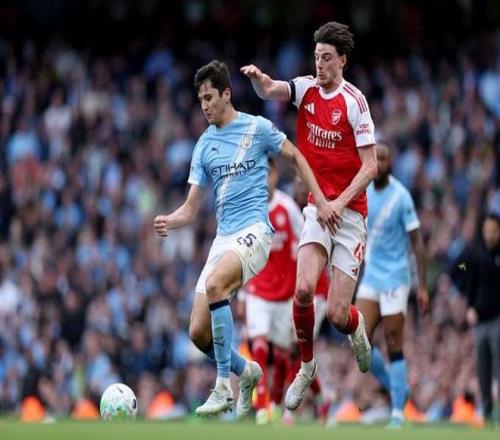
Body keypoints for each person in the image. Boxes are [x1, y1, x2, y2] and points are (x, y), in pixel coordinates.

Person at [153, 60, 337, 417]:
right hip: (223, 240)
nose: (204, 106)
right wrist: (169, 221)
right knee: (198, 333)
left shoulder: (257, 128)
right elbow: (190, 209)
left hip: (255, 232)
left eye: (209, 97)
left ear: (226, 94)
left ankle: (223, 386)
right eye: (200, 100)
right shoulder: (204, 145)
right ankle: (246, 370)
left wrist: (322, 199)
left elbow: (296, 156)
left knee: (216, 285)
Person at [241, 21, 377, 410]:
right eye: (317, 57)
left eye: (327, 58)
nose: (319, 64)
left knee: (336, 314)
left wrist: (339, 203)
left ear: (342, 60)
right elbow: (272, 89)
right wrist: (260, 81)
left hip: (349, 214)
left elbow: (370, 166)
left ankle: (355, 325)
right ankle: (307, 366)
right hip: (318, 209)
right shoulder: (306, 89)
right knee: (302, 290)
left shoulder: (355, 103)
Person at [354, 142, 429, 428]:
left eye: (384, 158)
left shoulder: (401, 196)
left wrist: (423, 287)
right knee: (358, 337)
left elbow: (417, 243)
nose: (380, 163)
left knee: (393, 341)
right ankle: (396, 386)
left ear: (391, 163)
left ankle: (398, 412)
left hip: (396, 277)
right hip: (372, 275)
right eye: (377, 158)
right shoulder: (363, 192)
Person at [240, 157, 303, 424]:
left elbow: (306, 241)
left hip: (285, 295)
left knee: (282, 354)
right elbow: (242, 255)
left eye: (268, 173)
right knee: (260, 345)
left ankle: (276, 403)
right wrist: (241, 295)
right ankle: (262, 406)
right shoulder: (248, 212)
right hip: (257, 292)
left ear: (275, 175)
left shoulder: (287, 208)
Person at [452, 214, 500, 423]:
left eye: (494, 230)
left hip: (497, 318)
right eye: (487, 230)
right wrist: (469, 301)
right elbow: (458, 268)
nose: (490, 234)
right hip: (480, 320)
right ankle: (487, 411)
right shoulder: (475, 254)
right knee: (483, 368)